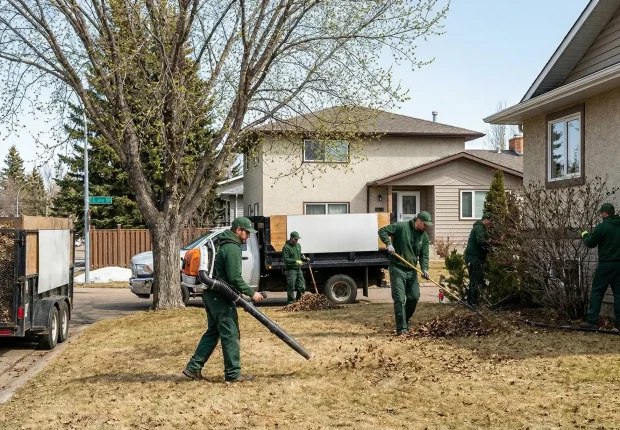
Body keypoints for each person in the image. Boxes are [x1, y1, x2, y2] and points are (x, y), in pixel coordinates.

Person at [184, 217, 264, 383]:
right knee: (230, 333)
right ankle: (233, 374)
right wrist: (251, 293)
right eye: (246, 232)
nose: (248, 236)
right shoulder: (232, 248)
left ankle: (193, 368)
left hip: (210, 294)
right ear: (237, 230)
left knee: (213, 332)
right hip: (220, 297)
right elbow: (235, 277)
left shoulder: (220, 244)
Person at [378, 211, 432, 335]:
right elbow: (382, 231)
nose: (426, 227)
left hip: (412, 269)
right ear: (418, 221)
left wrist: (425, 269)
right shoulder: (401, 227)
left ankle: (404, 320)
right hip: (397, 268)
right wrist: (389, 244)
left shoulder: (424, 237)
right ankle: (401, 329)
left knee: (414, 297)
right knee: (399, 299)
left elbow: (424, 256)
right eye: (425, 224)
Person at [580, 203, 620, 330]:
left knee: (597, 291)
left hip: (606, 264)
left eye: (601, 214)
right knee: (619, 294)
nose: (601, 216)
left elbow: (591, 243)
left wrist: (585, 235)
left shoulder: (602, 226)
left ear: (605, 213)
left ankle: (592, 321)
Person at [463, 213, 492, 306]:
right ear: (487, 220)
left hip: (475, 257)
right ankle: (472, 303)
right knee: (475, 280)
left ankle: (473, 301)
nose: (491, 224)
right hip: (473, 258)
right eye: (491, 221)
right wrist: (492, 244)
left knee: (476, 279)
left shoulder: (481, 228)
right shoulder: (479, 228)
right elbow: (481, 241)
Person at [282, 231, 307, 304]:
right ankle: (291, 302)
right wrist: (295, 261)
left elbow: (299, 255)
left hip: (298, 269)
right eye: (295, 239)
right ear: (291, 238)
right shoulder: (286, 247)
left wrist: (304, 258)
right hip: (291, 269)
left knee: (302, 286)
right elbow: (286, 259)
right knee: (291, 287)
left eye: (297, 239)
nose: (297, 240)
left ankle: (299, 301)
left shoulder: (298, 245)